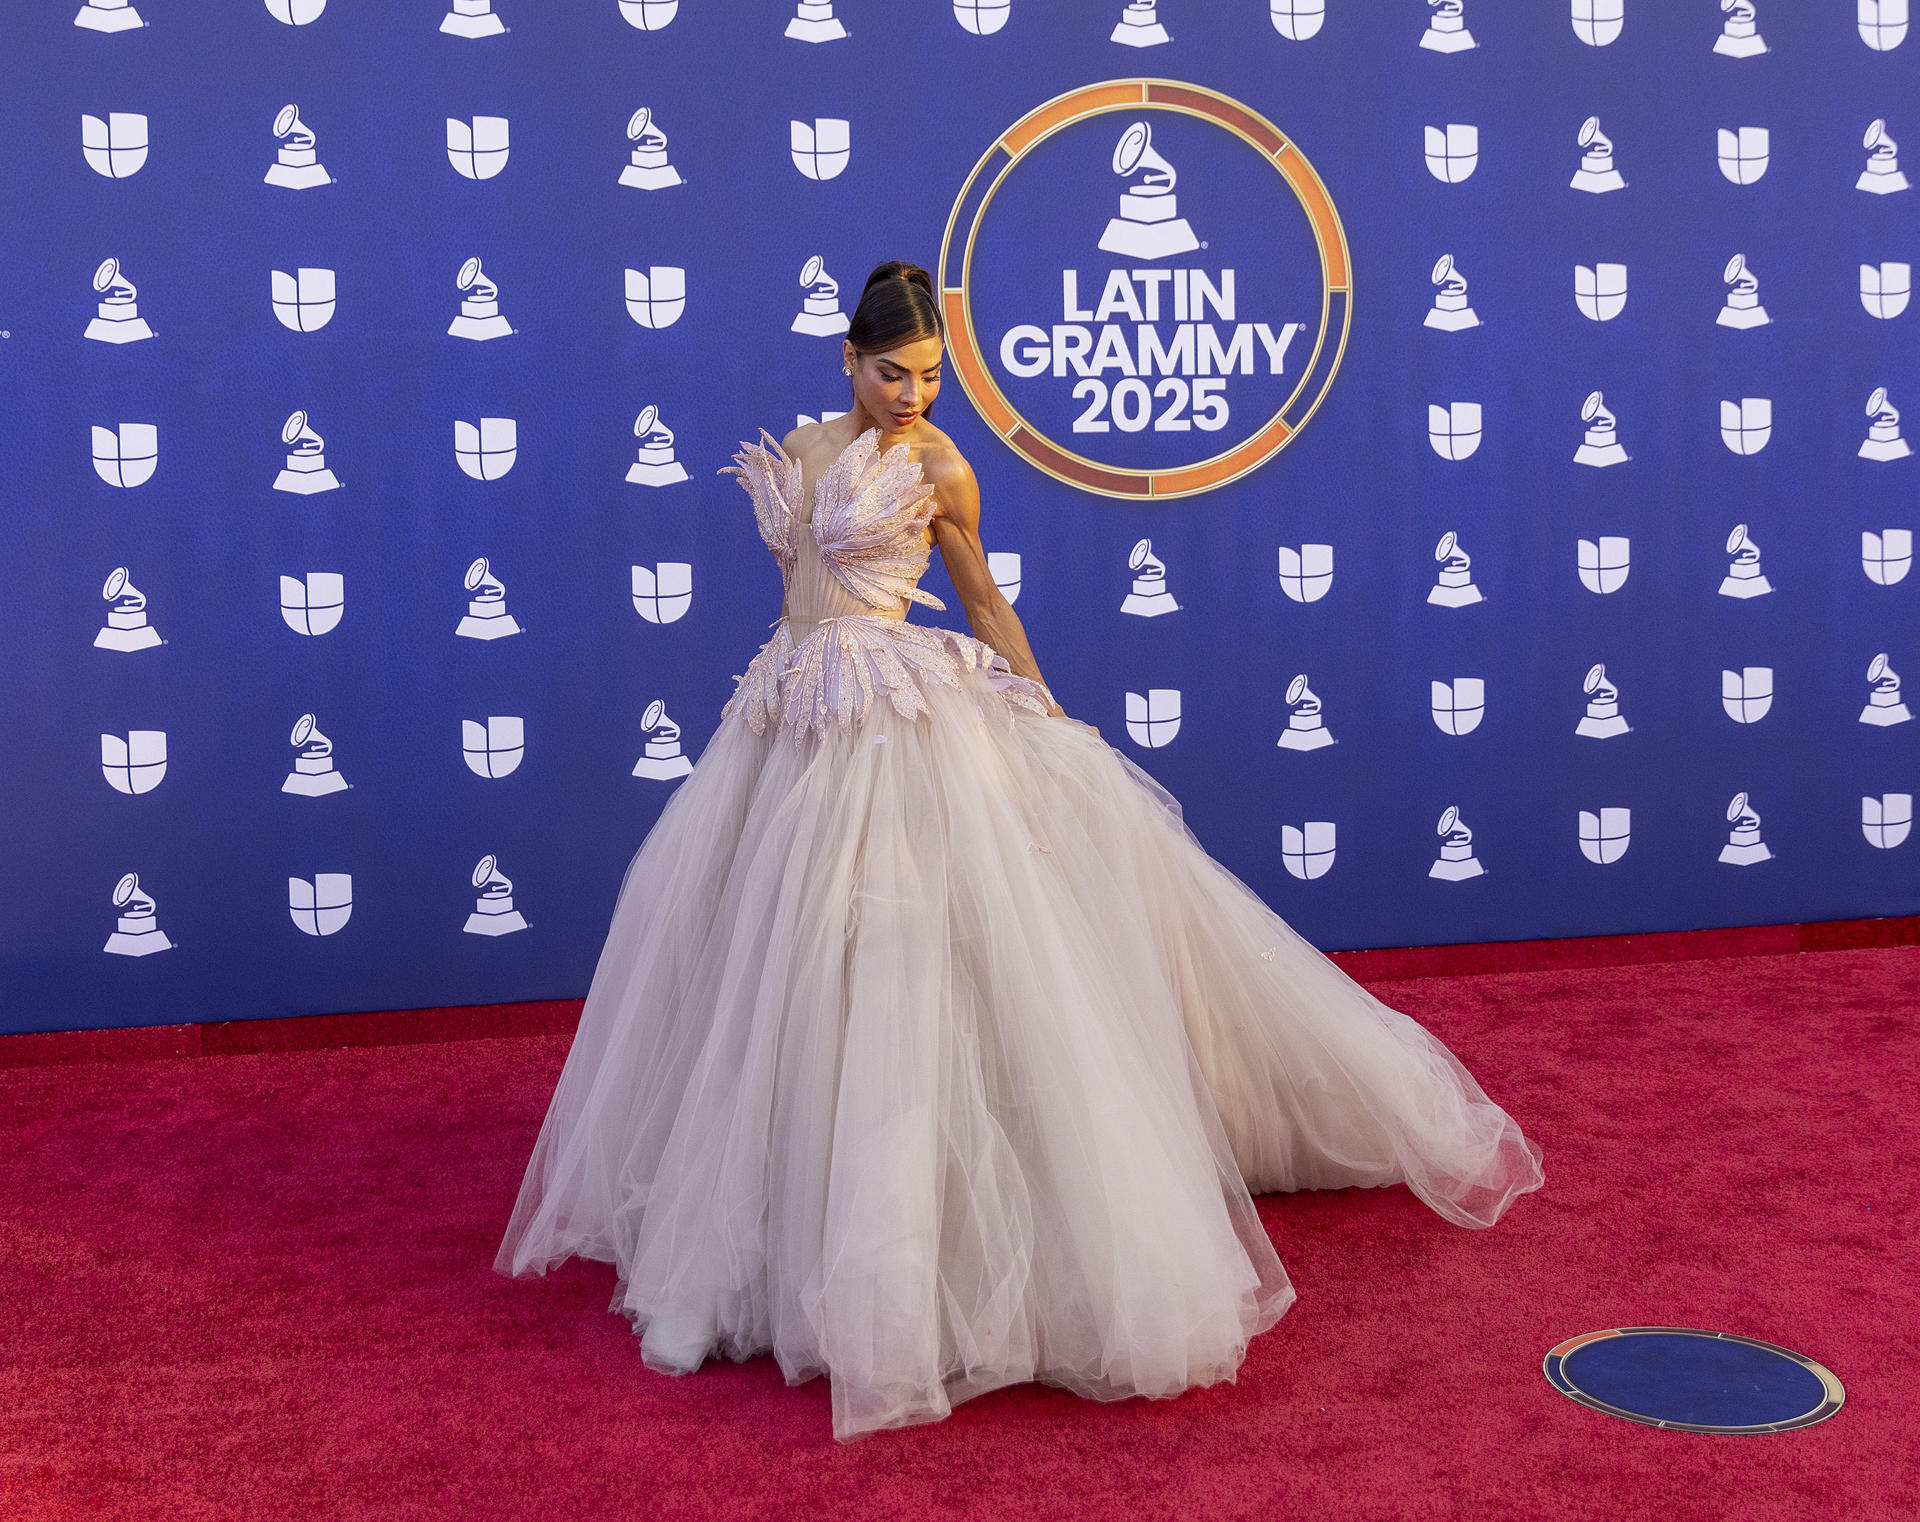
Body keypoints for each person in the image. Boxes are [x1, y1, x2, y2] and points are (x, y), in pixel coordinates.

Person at [494, 260, 1544, 1443]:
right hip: (784, 719)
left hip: (893, 724)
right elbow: (802, 584)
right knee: (760, 974)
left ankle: (901, 1248)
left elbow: (981, 600)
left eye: (934, 376)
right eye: (894, 372)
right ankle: (732, 1250)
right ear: (847, 359)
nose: (914, 396)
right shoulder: (796, 445)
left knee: (893, 965)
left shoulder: (939, 466)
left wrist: (1044, 712)